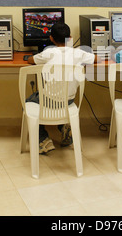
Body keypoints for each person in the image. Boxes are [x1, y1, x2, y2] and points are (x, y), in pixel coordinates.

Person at [27, 22, 96, 154]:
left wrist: (32, 56)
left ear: (51, 38)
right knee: (59, 103)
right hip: (68, 101)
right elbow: (96, 59)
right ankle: (64, 126)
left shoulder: (49, 53)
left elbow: (31, 60)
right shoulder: (78, 53)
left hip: (49, 100)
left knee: (29, 102)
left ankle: (43, 139)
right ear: (70, 38)